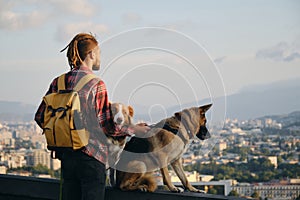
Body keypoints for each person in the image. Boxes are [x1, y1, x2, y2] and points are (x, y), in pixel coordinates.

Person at [34, 33, 150, 200]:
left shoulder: (58, 82)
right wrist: (134, 129)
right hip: (91, 158)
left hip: (66, 157)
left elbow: (40, 117)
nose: (100, 58)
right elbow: (107, 126)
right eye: (99, 53)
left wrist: (65, 134)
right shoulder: (96, 83)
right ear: (91, 54)